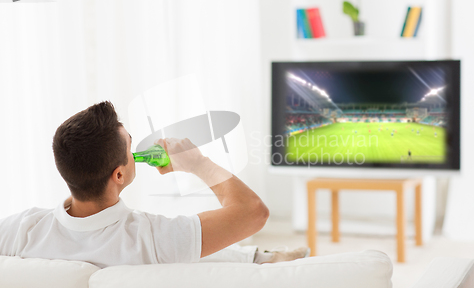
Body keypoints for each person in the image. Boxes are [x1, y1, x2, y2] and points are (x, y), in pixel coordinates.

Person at [0, 102, 308, 268]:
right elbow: (253, 211)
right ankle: (262, 258)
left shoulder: (21, 229)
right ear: (118, 175)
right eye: (131, 147)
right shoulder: (153, 238)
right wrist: (198, 164)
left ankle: (260, 256)